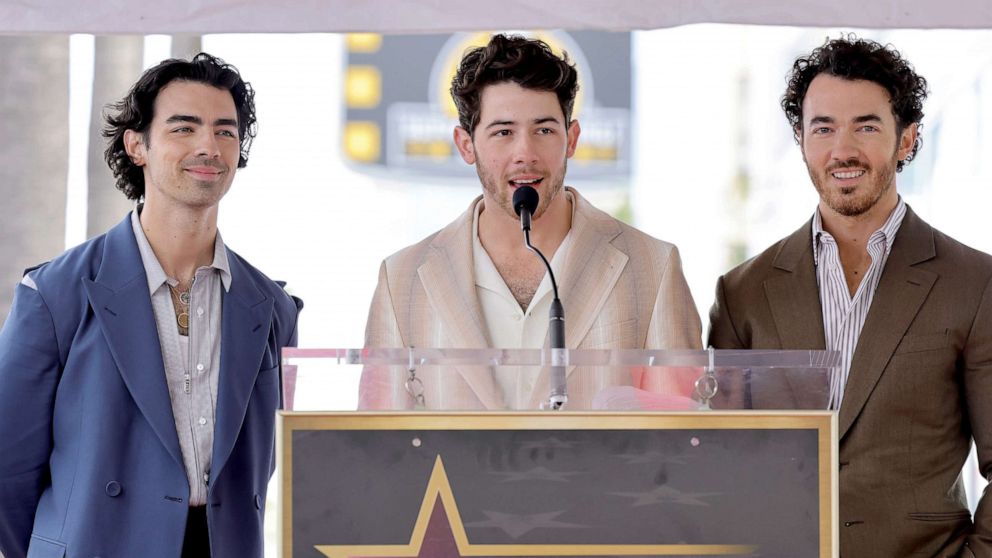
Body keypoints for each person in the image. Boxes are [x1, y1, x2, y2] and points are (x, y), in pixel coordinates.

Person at [0, 53, 302, 558]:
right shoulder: (55, 295)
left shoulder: (271, 307)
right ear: (137, 145)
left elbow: (263, 466)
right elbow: (7, 468)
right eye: (184, 128)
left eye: (225, 132)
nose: (209, 146)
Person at [708, 35, 992, 556]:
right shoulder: (742, 292)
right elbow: (720, 459)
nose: (843, 150)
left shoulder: (975, 284)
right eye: (823, 128)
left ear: (906, 139)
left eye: (866, 125)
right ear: (800, 139)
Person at [361, 34, 701, 410]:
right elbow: (379, 450)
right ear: (465, 145)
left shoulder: (652, 267)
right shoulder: (402, 279)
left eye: (544, 130)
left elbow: (684, 438)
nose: (525, 153)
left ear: (571, 139)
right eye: (503, 132)